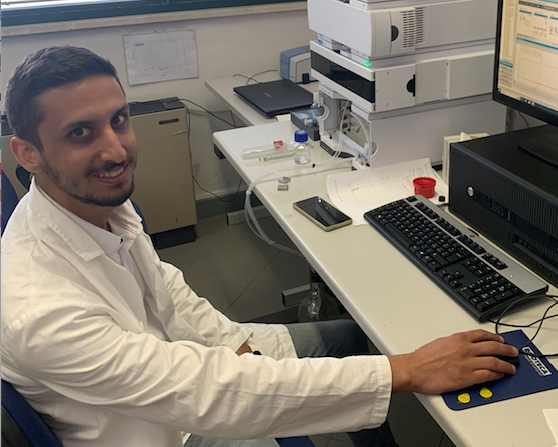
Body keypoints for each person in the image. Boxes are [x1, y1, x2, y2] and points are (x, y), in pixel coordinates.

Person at [1, 46, 519, 447]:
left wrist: (236, 347)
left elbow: (169, 295)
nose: (114, 149)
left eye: (118, 119)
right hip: (163, 430)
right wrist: (405, 370)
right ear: (27, 153)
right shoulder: (37, 310)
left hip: (177, 381)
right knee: (385, 360)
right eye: (80, 133)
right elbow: (204, 393)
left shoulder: (97, 207)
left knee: (350, 337)